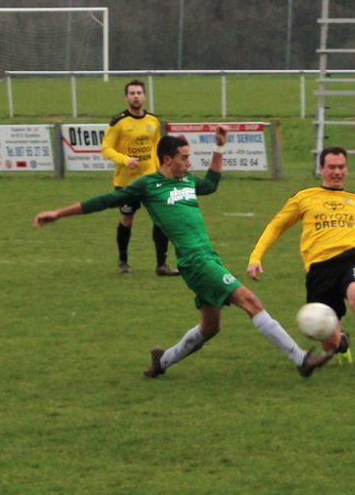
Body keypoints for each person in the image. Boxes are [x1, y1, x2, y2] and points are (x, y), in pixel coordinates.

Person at [34, 126, 333, 378]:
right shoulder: (148, 186)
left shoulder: (187, 181)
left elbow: (212, 185)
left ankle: (161, 362)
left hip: (207, 257)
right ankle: (301, 360)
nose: (189, 163)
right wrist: (58, 213)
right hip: (196, 261)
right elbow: (104, 200)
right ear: (167, 159)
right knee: (250, 301)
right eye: (184, 158)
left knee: (210, 327)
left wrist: (219, 148)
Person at [247, 146, 355, 376]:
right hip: (319, 269)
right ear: (321, 169)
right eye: (331, 167)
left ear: (347, 169)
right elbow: (276, 226)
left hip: (350, 260)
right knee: (329, 342)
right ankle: (342, 342)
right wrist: (256, 257)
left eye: (341, 167)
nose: (337, 172)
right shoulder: (304, 197)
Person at [100, 79, 178, 276]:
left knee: (161, 220)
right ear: (126, 97)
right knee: (127, 219)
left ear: (144, 96)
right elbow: (106, 148)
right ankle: (123, 260)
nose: (136, 96)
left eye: (139, 93)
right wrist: (125, 159)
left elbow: (157, 148)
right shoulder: (118, 122)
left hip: (152, 179)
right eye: (132, 93)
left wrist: (165, 169)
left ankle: (161, 265)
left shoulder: (153, 121)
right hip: (128, 182)